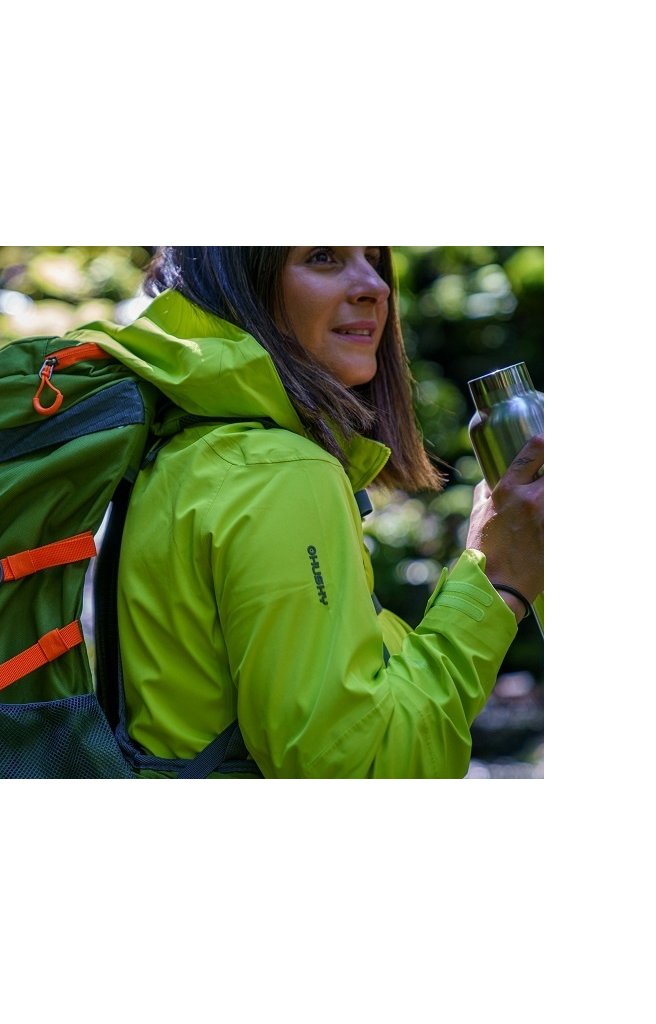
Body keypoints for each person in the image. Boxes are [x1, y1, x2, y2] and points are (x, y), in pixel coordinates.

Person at [71, 246, 543, 778]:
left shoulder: (192, 449)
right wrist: (499, 581)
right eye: (323, 257)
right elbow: (356, 769)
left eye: (372, 258)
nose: (375, 287)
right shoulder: (276, 471)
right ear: (242, 283)